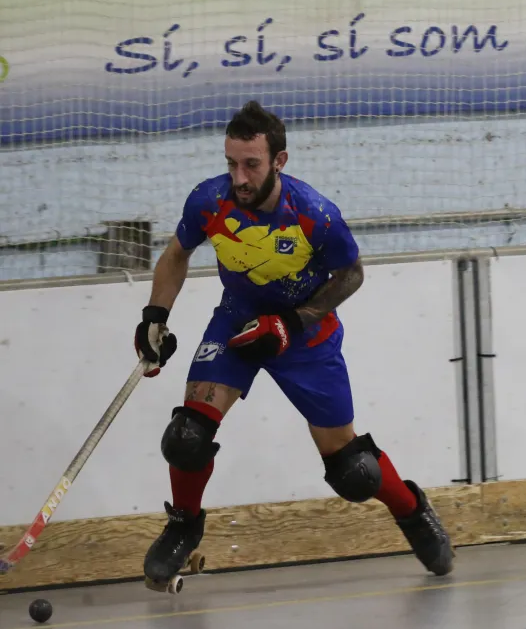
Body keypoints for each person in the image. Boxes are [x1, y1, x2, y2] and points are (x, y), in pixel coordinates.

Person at [133, 101, 454, 587]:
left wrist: (293, 321)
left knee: (354, 472)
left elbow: (351, 275)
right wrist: (155, 317)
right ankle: (184, 525)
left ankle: (412, 512)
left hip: (307, 336)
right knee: (186, 436)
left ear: (279, 161)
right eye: (231, 163)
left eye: (251, 165)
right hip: (238, 323)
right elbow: (176, 255)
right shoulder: (209, 201)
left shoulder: (314, 214)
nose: (238, 178)